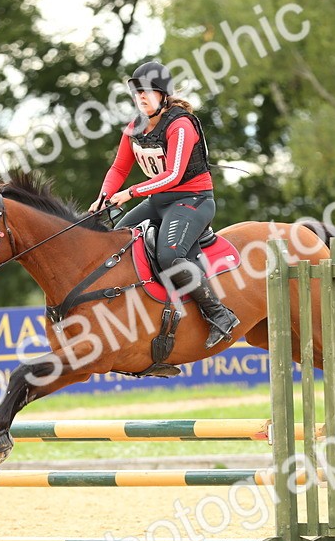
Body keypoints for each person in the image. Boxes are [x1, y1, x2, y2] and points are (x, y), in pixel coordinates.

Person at [90, 61, 239, 349]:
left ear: (163, 95)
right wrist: (103, 198)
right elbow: (118, 169)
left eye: (147, 91)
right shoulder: (135, 127)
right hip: (158, 201)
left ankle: (219, 315)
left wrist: (130, 193)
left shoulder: (181, 125)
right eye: (137, 92)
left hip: (192, 200)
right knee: (113, 244)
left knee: (170, 255)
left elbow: (174, 175)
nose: (141, 97)